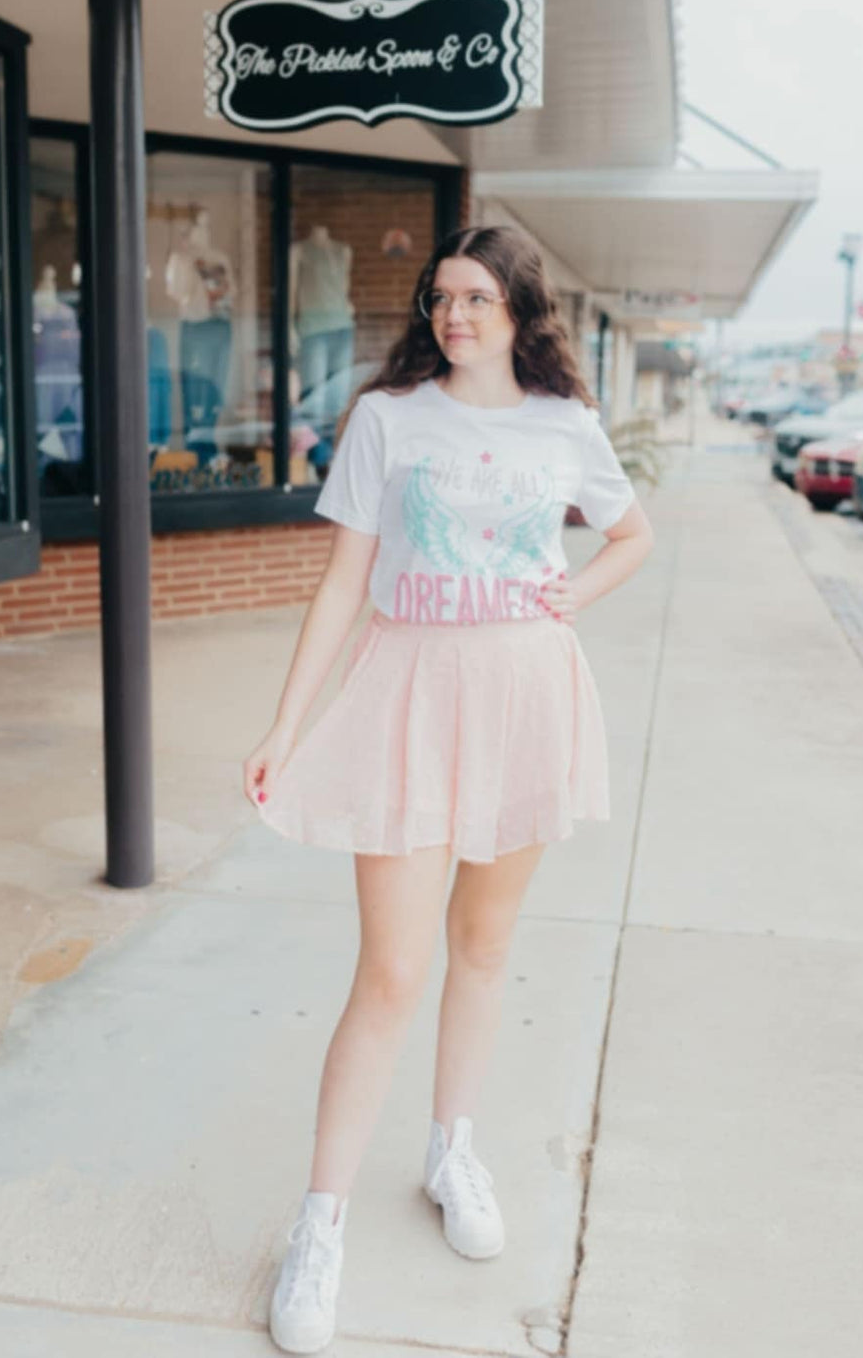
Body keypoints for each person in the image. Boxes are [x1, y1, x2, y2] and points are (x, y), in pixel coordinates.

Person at [242, 225, 655, 1355]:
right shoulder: (388, 419)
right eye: (440, 299)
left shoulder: (566, 426)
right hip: (410, 696)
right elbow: (341, 585)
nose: (452, 315)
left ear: (520, 308)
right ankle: (318, 1226)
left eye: (475, 297)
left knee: (482, 946)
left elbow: (630, 533)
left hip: (526, 694)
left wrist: (573, 595)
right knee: (391, 968)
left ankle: (449, 1150)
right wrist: (289, 722)